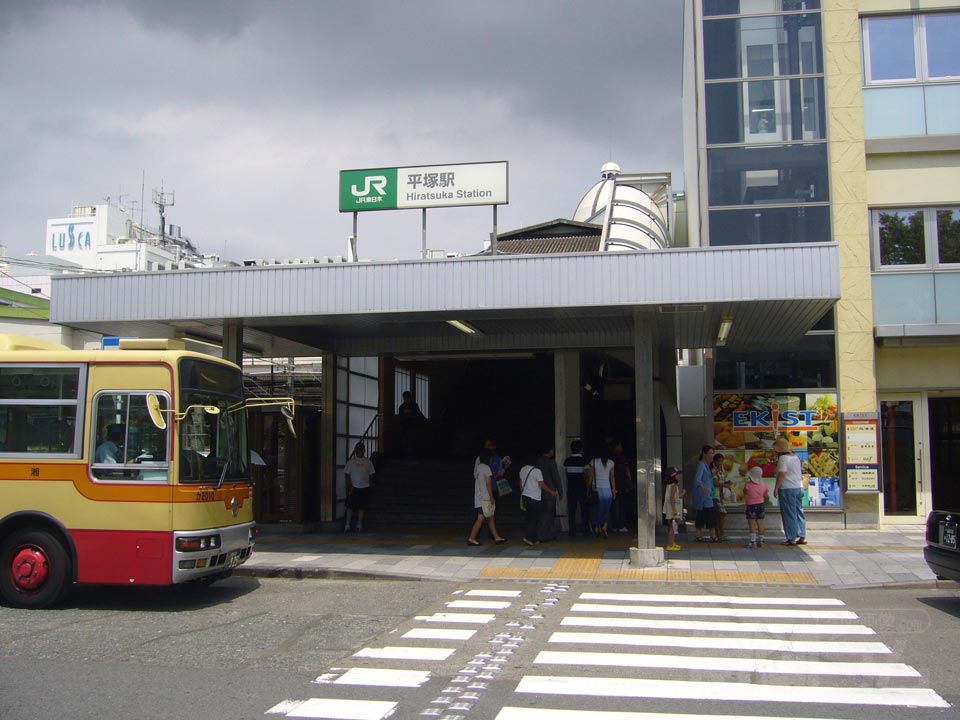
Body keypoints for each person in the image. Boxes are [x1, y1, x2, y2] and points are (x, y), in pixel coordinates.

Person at [468, 447, 506, 546]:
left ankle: (496, 537)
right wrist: (491, 496)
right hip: (484, 498)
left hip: (479, 496)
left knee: (490, 517)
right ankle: (472, 538)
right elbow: (489, 483)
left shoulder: (478, 468)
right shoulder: (486, 468)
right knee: (481, 518)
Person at [773, 437, 807, 546]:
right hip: (798, 487)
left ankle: (791, 537)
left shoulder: (783, 458)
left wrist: (776, 487)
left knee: (789, 513)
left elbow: (782, 474)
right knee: (799, 511)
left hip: (787, 488)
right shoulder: (795, 457)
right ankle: (802, 535)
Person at [520, 455, 556, 546]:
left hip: (525, 496)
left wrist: (523, 492)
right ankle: (529, 537)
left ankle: (534, 538)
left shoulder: (523, 469)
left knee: (530, 517)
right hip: (535, 498)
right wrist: (551, 491)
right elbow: (542, 484)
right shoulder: (537, 471)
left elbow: (521, 483)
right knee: (534, 519)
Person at [343, 442, 376, 532]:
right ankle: (347, 524)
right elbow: (347, 475)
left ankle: (359, 524)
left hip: (364, 487)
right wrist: (349, 486)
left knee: (362, 507)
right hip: (353, 487)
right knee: (350, 506)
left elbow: (371, 475)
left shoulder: (368, 462)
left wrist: (369, 485)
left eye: (360, 450)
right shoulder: (351, 462)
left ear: (364, 451)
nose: (359, 452)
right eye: (357, 450)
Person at [588, 447, 616, 539]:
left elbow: (590, 476)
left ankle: (599, 528)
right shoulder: (611, 463)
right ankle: (605, 527)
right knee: (606, 510)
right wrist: (613, 490)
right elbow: (612, 477)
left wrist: (588, 488)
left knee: (597, 509)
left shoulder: (593, 462)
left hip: (597, 490)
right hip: (607, 489)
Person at [563, 440, 589, 537]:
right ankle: (585, 529)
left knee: (571, 510)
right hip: (582, 488)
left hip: (571, 488)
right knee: (584, 509)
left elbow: (566, 474)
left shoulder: (567, 461)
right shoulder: (584, 461)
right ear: (581, 449)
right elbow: (586, 476)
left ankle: (572, 530)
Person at [536, 446, 563, 541]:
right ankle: (542, 534)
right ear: (550, 451)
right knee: (548, 513)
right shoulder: (551, 462)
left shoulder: (539, 461)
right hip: (550, 491)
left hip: (539, 491)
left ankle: (550, 532)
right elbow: (556, 477)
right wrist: (560, 491)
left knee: (544, 513)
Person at [692, 445, 718, 542]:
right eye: (710, 453)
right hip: (704, 496)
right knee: (709, 515)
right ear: (704, 454)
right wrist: (704, 488)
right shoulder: (701, 465)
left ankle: (699, 535)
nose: (712, 455)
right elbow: (697, 480)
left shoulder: (706, 465)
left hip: (707, 495)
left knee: (702, 515)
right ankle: (712, 535)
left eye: (713, 453)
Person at [610, 439, 635, 533]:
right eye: (619, 446)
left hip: (612, 483)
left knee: (613, 504)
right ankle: (621, 525)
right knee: (622, 504)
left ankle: (613, 525)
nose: (621, 448)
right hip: (621, 482)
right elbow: (627, 471)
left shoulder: (610, 458)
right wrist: (629, 481)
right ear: (616, 447)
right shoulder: (622, 458)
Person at [743, 465, 770, 548]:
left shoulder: (747, 485)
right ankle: (761, 541)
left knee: (752, 524)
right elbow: (766, 495)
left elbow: (744, 492)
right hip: (761, 505)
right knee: (760, 523)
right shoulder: (764, 485)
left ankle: (753, 542)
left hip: (751, 506)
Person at [662, 466, 685, 551]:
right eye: (677, 475)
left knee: (672, 526)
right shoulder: (674, 486)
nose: (679, 476)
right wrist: (675, 511)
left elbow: (674, 497)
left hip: (670, 508)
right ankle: (671, 544)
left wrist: (681, 494)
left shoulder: (669, 486)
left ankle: (672, 542)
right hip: (673, 509)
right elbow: (672, 499)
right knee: (673, 527)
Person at [397, 390, 425, 458]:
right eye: (405, 398)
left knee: (412, 440)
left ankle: (410, 454)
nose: (406, 399)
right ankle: (405, 454)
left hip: (413, 426)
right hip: (404, 426)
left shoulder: (414, 406)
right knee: (405, 441)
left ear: (409, 398)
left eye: (407, 398)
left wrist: (411, 415)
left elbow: (419, 415)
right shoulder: (402, 407)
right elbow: (400, 418)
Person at [712, 452, 732, 541]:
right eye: (719, 461)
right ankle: (719, 533)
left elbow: (723, 480)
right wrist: (724, 485)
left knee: (720, 514)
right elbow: (714, 482)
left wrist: (727, 483)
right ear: (715, 461)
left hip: (721, 495)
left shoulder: (722, 470)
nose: (721, 463)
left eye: (722, 461)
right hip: (715, 495)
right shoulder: (713, 470)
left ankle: (720, 533)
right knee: (721, 513)